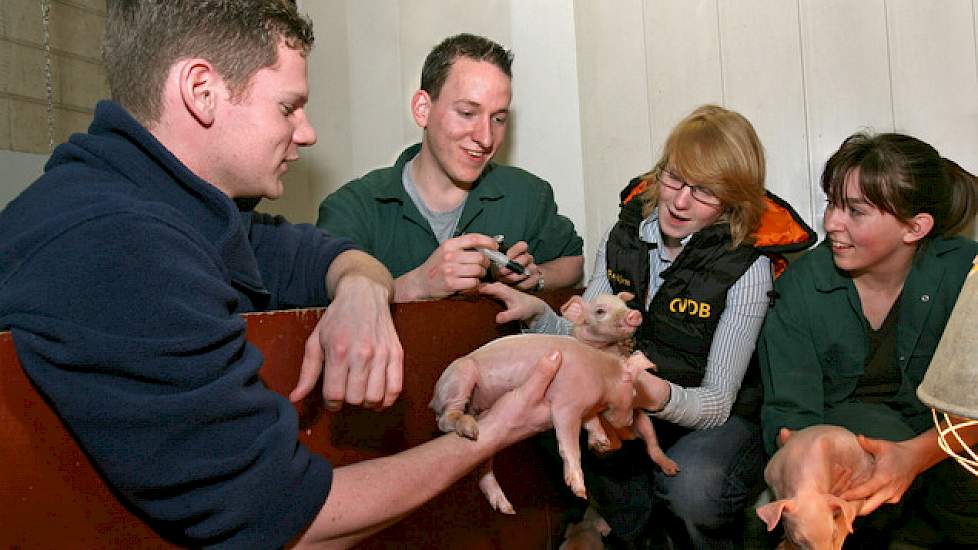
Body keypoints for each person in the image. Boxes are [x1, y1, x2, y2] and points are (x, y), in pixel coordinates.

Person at [0, 2, 561, 548]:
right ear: (201, 91)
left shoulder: (172, 205)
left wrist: (365, 285)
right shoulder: (117, 246)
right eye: (289, 107)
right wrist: (497, 429)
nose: (308, 131)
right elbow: (289, 519)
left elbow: (309, 251)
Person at [482, 104, 816, 549]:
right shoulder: (623, 236)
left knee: (693, 487)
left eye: (704, 191)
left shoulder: (747, 268)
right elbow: (586, 338)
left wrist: (647, 393)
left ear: (733, 200)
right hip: (631, 402)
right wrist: (537, 314)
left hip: (712, 417)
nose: (679, 201)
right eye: (674, 179)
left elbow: (716, 403)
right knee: (539, 415)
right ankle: (622, 524)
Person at [758, 132, 978, 547]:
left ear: (915, 227)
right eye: (832, 204)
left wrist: (916, 455)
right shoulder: (804, 285)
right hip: (847, 467)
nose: (831, 223)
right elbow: (790, 417)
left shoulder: (967, 275)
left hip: (948, 457)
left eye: (854, 211)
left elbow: (974, 406)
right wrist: (809, 463)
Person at [316, 33, 584, 302]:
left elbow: (572, 262)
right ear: (423, 109)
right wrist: (416, 285)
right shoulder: (352, 208)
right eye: (467, 113)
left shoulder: (527, 194)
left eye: (499, 119)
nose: (486, 138)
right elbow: (323, 313)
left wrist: (535, 279)